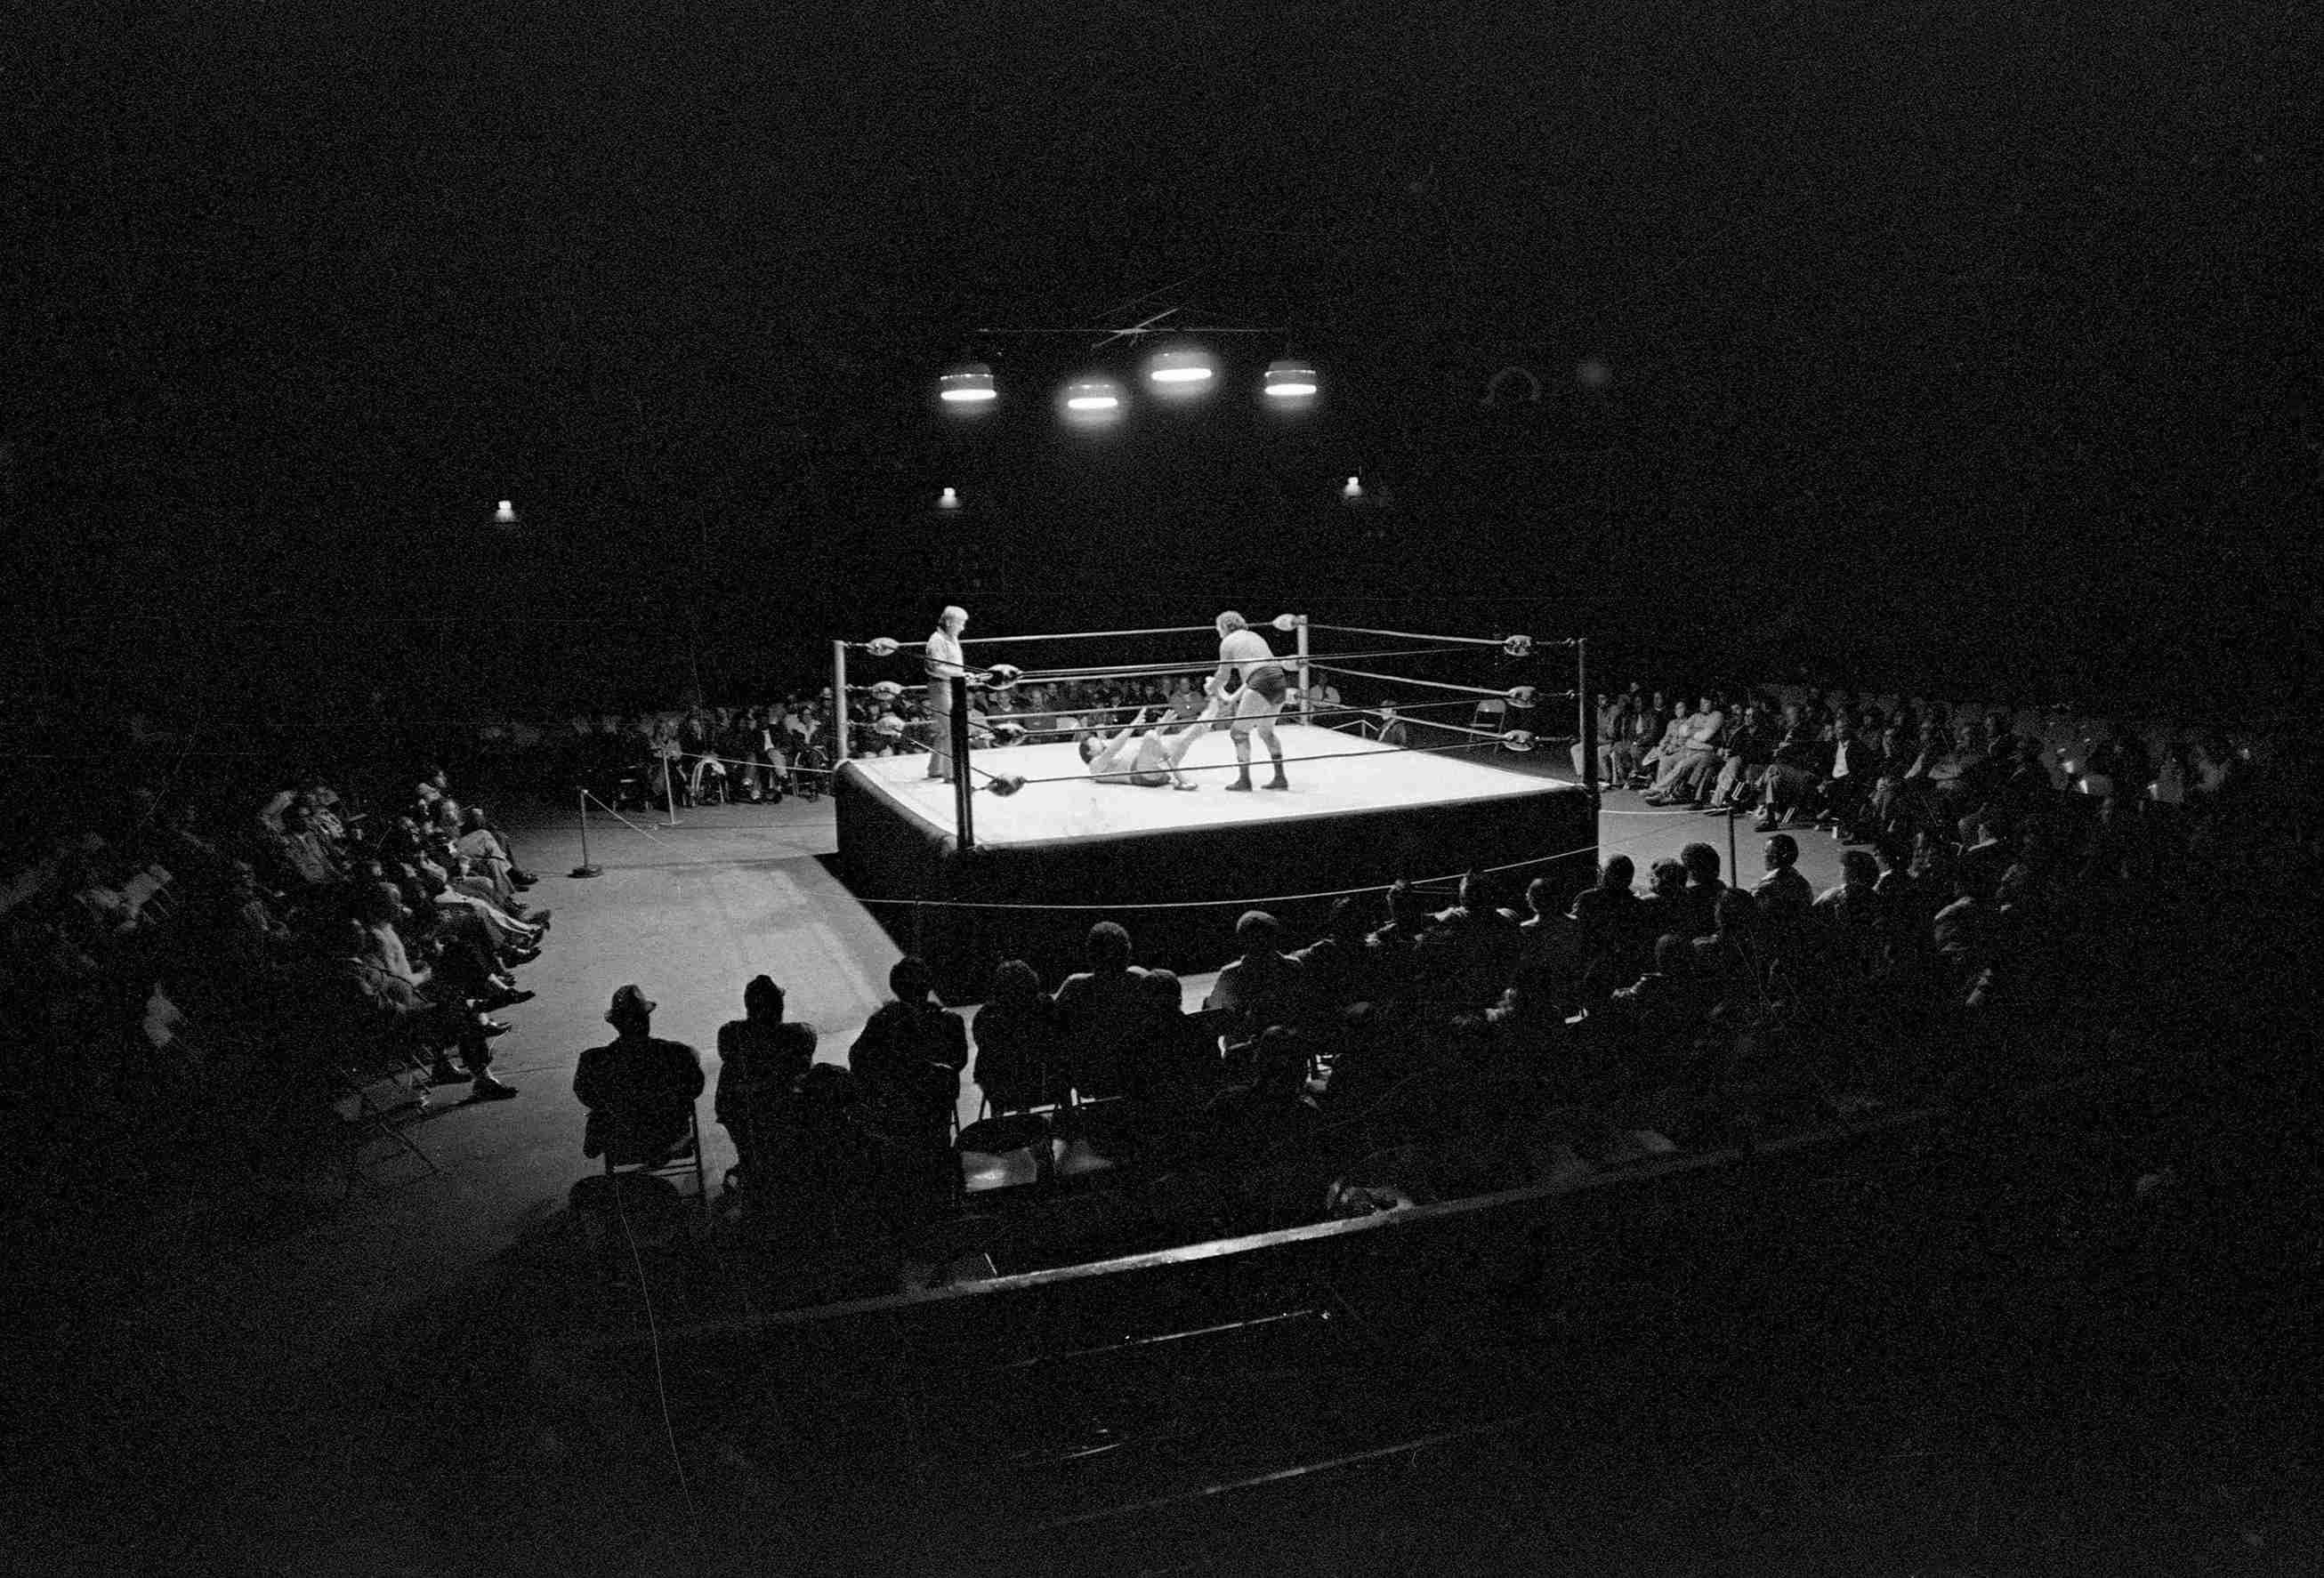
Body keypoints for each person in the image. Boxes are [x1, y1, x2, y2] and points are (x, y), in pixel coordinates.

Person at [849, 956, 968, 1152]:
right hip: (934, 1103)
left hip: (896, 1105)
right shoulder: (951, 1021)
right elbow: (958, 1061)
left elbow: (858, 1057)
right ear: (928, 985)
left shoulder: (883, 1021)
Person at [574, 986, 704, 1160]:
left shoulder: (593, 1062)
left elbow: (586, 1096)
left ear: (616, 1024)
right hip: (671, 1137)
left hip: (620, 1143)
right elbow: (695, 1088)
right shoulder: (678, 1054)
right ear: (646, 1020)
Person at [714, 975, 818, 1185]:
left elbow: (726, 1054)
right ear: (780, 1006)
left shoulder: (730, 1034)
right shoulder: (801, 1034)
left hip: (743, 1115)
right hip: (785, 1112)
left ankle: (753, 1160)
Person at [1209, 611, 1290, 792]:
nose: (1217, 630)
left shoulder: (1228, 642)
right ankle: (1280, 778)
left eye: (1218, 627)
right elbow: (1252, 677)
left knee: (1238, 733)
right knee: (1266, 732)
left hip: (1261, 681)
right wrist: (1232, 698)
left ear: (1224, 626)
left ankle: (1244, 781)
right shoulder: (1254, 636)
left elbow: (1223, 676)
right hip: (1278, 679)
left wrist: (1212, 687)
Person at [1078, 699, 1222, 789]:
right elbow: (1116, 746)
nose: (1099, 740)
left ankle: (1214, 704)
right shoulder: (1095, 766)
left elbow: (1144, 750)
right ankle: (1180, 778)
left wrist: (1161, 728)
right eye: (1094, 741)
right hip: (1145, 776)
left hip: (1155, 767)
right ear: (1089, 752)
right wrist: (1133, 725)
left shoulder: (1106, 760)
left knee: (1188, 734)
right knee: (1149, 735)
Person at [924, 603, 971, 783]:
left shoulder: (951, 637)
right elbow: (934, 667)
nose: (963, 627)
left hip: (951, 686)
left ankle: (934, 769)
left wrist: (961, 675)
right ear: (950, 622)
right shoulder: (936, 640)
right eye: (961, 623)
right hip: (941, 686)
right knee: (952, 728)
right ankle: (951, 774)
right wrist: (960, 673)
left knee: (946, 730)